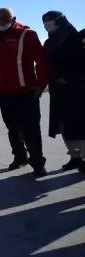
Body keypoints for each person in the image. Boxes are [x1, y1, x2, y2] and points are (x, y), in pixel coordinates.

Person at [0, 8, 49, 177]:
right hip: (5, 94)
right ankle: (20, 157)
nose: (0, 21)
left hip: (26, 93)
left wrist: (40, 85)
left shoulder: (27, 35)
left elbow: (41, 61)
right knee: (12, 129)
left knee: (31, 130)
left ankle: (37, 163)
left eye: (4, 18)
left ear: (13, 18)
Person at [42, 11, 85, 172]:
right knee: (64, 125)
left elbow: (80, 62)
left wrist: (67, 77)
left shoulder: (74, 37)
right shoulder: (48, 43)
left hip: (76, 88)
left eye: (50, 20)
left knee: (79, 125)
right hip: (57, 89)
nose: (47, 24)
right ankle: (75, 157)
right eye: (44, 21)